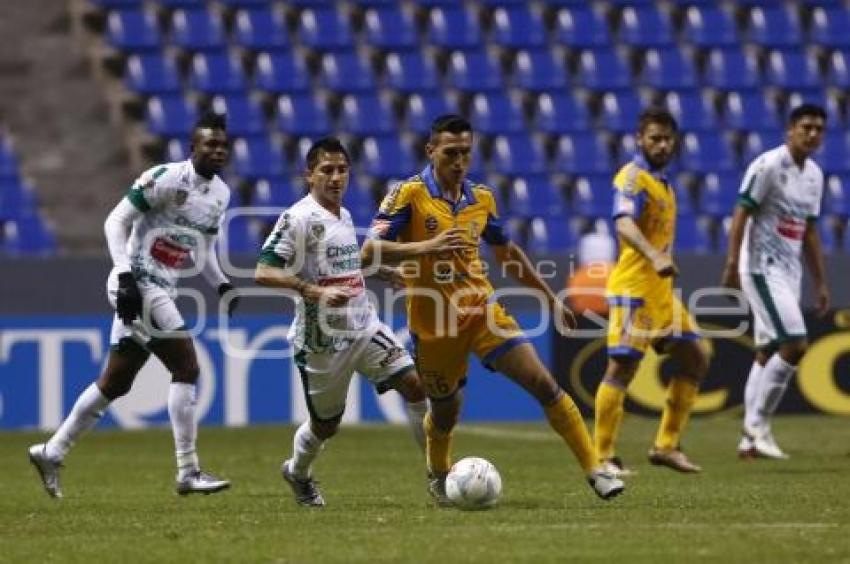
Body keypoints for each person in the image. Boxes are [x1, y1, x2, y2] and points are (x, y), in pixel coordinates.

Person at [362, 114, 624, 504]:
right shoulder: (408, 194)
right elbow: (369, 250)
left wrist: (549, 298)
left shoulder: (481, 198)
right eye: (450, 152)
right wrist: (424, 248)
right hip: (434, 325)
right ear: (430, 151)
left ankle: (594, 470)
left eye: (466, 153)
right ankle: (438, 472)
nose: (459, 161)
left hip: (482, 311)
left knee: (544, 384)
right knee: (446, 411)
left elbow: (507, 254)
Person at [28, 113, 238, 498]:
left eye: (223, 145)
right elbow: (115, 222)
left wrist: (222, 284)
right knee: (186, 366)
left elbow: (202, 247)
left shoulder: (221, 195)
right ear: (192, 148)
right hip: (138, 284)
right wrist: (124, 274)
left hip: (163, 288)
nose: (218, 150)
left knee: (115, 382)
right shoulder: (164, 178)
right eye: (210, 143)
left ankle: (51, 450)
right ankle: (188, 470)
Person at [254, 137, 431, 507]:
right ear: (309, 175)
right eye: (327, 170)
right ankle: (297, 472)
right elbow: (263, 271)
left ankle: (438, 475)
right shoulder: (298, 218)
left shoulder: (344, 214)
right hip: (323, 340)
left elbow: (345, 266)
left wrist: (381, 271)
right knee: (326, 426)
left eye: (342, 170)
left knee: (415, 387)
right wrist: (312, 292)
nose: (336, 177)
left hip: (364, 327)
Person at [593, 107, 710, 477]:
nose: (661, 145)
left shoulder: (662, 181)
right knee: (622, 367)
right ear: (639, 139)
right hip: (634, 288)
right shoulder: (632, 178)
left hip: (660, 293)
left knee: (696, 355)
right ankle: (603, 457)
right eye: (654, 138)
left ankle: (666, 446)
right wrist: (654, 254)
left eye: (667, 139)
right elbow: (623, 222)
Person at [721, 104, 829, 460]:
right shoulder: (768, 165)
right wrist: (733, 263)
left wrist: (821, 282)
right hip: (762, 268)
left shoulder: (814, 175)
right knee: (795, 344)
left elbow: (809, 230)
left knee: (767, 351)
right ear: (790, 130)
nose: (812, 134)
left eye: (818, 129)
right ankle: (757, 425)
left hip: (790, 271)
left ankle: (748, 442)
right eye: (806, 127)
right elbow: (741, 212)